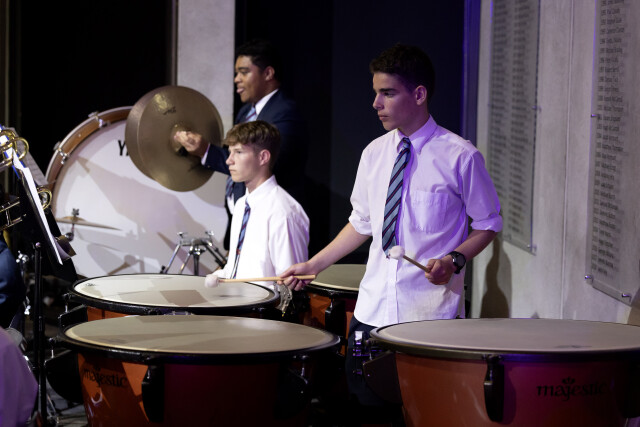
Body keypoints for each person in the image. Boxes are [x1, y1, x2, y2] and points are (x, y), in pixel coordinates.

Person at [281, 44, 502, 421]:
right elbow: (362, 223)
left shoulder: (460, 156)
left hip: (429, 317)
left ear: (419, 94)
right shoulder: (374, 154)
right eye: (375, 93)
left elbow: (488, 223)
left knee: (425, 416)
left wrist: (454, 259)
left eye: (387, 93)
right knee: (366, 414)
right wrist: (314, 264)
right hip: (372, 311)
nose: (376, 103)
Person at [175, 38, 308, 211]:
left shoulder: (286, 113)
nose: (236, 79)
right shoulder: (245, 112)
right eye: (236, 73)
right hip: (240, 211)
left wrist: (206, 150)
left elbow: (263, 164)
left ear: (268, 73)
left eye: (244, 72)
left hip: (266, 212)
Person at [204, 120, 309, 297]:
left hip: (263, 311)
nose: (229, 160)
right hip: (236, 305)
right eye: (230, 152)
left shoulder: (283, 211)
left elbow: (289, 287)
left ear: (263, 157)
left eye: (238, 152)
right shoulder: (241, 205)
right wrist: (220, 276)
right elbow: (239, 269)